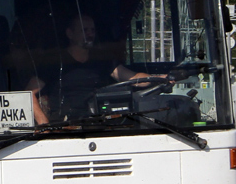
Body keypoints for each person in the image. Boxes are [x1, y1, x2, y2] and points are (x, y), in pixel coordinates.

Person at [28, 14, 160, 124]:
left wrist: (160, 79)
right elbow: (29, 93)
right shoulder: (55, 61)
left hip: (99, 124)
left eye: (92, 30)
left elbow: (133, 78)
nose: (90, 34)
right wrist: (44, 124)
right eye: (84, 30)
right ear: (70, 33)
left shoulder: (102, 59)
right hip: (65, 126)